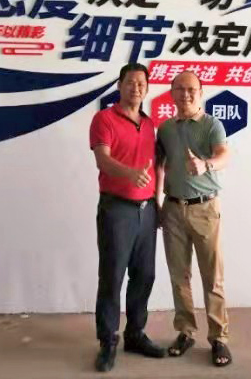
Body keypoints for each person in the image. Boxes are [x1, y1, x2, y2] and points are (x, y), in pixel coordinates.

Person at [89, 63, 166, 372]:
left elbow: (156, 166)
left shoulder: (149, 124)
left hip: (147, 210)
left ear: (147, 89)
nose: (136, 88)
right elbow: (103, 160)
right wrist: (130, 174)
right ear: (119, 85)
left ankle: (135, 334)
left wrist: (157, 202)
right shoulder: (104, 119)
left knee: (145, 275)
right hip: (116, 209)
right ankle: (108, 341)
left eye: (141, 84)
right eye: (130, 82)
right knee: (112, 277)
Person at [156, 70, 233, 367]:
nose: (185, 94)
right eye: (180, 89)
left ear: (201, 93)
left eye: (191, 89)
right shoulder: (165, 128)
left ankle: (219, 338)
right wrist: (158, 202)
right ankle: (185, 332)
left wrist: (206, 164)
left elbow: (224, 155)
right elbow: (158, 166)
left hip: (205, 209)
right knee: (179, 276)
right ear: (171, 93)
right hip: (173, 209)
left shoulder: (212, 125)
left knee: (212, 277)